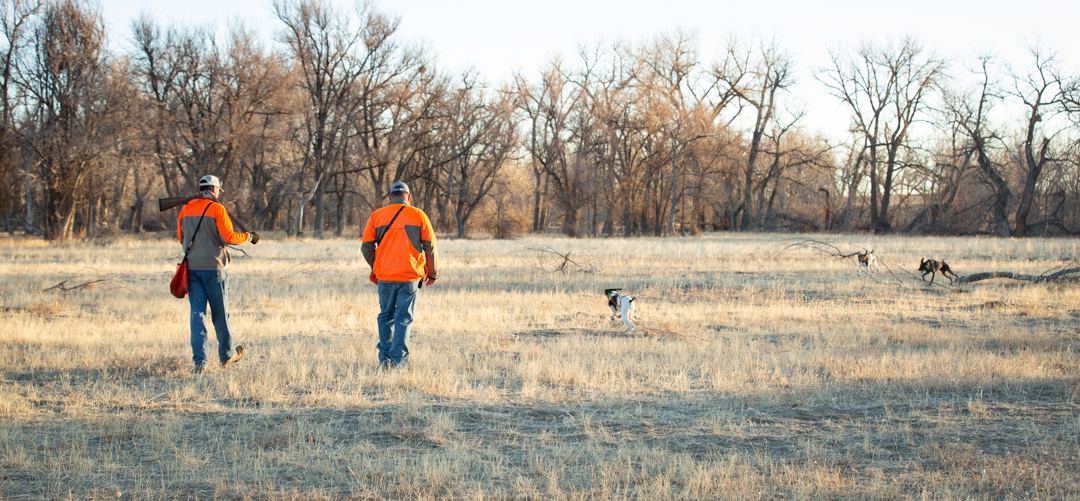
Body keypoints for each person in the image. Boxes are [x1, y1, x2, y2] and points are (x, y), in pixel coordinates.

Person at [177, 175, 260, 374]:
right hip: (215, 269)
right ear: (214, 190)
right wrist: (249, 237)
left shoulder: (185, 209)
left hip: (192, 269)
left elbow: (181, 238)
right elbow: (230, 237)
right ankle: (226, 356)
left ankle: (200, 362)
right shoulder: (217, 209)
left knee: (197, 316)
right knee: (220, 314)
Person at [361, 181, 438, 369]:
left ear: (390, 197)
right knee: (403, 318)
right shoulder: (418, 215)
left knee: (386, 316)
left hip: (385, 276)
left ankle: (384, 360)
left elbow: (366, 247)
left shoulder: (376, 216)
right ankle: (399, 363)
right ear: (408, 198)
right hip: (410, 277)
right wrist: (433, 273)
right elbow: (430, 246)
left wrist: (377, 266)